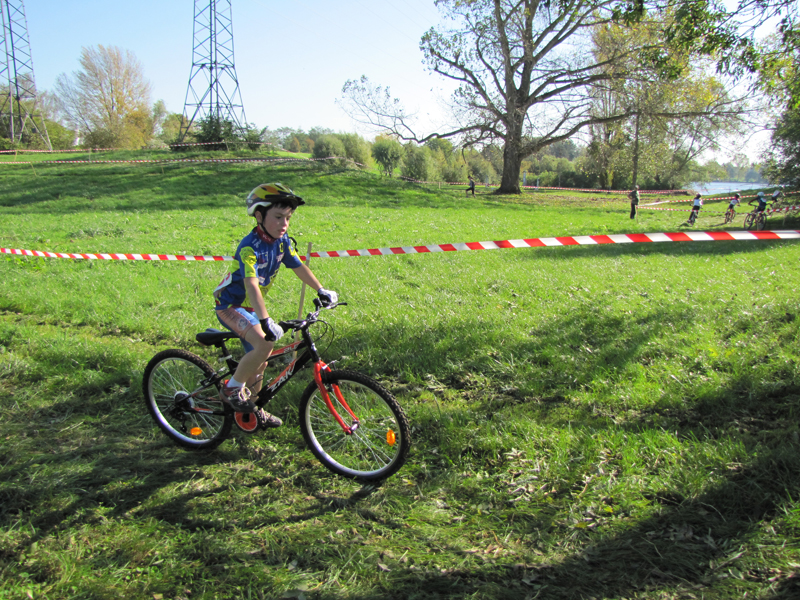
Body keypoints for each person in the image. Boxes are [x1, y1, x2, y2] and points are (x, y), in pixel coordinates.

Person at [212, 182, 338, 425]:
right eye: (278, 217)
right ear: (259, 216)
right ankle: (232, 388)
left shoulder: (282, 241)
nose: (284, 224)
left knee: (260, 361)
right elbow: (251, 285)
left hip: (249, 308)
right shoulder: (249, 247)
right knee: (264, 343)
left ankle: (251, 411)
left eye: (288, 218)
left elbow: (298, 266)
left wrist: (321, 289)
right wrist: (265, 320)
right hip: (230, 306)